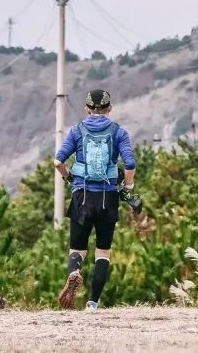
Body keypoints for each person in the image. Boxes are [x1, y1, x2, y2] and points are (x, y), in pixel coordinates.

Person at [53, 88, 139, 311]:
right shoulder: (118, 132)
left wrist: (68, 177)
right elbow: (130, 164)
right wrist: (127, 186)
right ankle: (92, 304)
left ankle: (74, 272)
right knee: (103, 251)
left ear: (87, 109)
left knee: (77, 249)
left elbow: (57, 161)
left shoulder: (76, 131)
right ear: (109, 109)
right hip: (107, 198)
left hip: (81, 196)